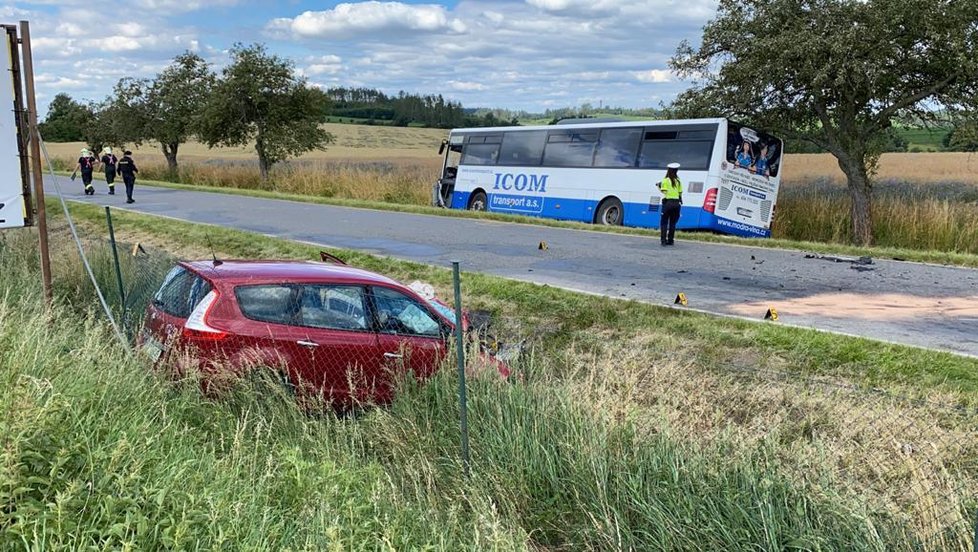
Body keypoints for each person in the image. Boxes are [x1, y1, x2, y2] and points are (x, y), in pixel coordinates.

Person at [658, 162, 683, 246]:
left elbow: (664, 191)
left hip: (668, 203)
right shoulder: (678, 181)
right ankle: (671, 240)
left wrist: (658, 186)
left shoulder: (665, 180)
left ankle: (663, 241)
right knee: (672, 223)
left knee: (664, 222)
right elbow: (680, 193)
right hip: (676, 204)